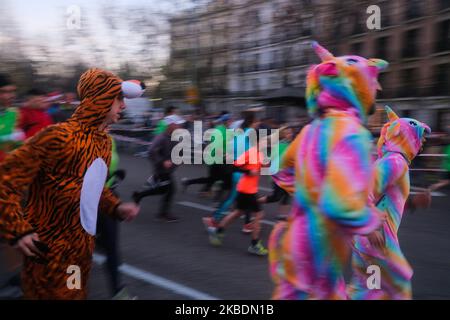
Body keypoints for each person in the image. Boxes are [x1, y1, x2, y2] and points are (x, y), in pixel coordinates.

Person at [0, 68, 143, 299]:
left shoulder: (104, 143)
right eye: (119, 100)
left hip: (80, 253)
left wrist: (116, 207)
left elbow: (92, 188)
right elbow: (6, 179)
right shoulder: (57, 137)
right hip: (48, 251)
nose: (123, 107)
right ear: (102, 99)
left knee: (75, 292)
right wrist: (19, 230)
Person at [268, 41, 387, 299]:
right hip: (321, 249)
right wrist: (370, 220)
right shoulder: (353, 134)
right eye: (373, 82)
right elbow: (340, 207)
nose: (377, 89)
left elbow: (279, 168)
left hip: (297, 239)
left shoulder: (312, 129)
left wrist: (308, 193)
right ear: (359, 87)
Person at [347, 106, 431, 300]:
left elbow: (386, 199)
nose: (424, 141)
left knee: (369, 290)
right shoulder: (395, 162)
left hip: (369, 243)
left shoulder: (393, 160)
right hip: (377, 243)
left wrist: (413, 203)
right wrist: (370, 229)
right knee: (399, 289)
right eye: (421, 134)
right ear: (408, 135)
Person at [208, 138, 269, 256]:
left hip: (249, 189)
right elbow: (234, 166)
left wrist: (266, 163)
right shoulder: (250, 153)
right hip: (247, 189)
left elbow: (264, 165)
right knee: (259, 214)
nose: (266, 144)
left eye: (267, 142)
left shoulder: (260, 154)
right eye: (264, 142)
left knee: (238, 212)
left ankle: (217, 231)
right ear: (257, 142)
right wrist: (248, 172)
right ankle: (254, 244)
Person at [132, 114, 185, 222]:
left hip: (168, 170)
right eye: (178, 124)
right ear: (171, 125)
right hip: (161, 170)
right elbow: (151, 150)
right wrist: (162, 161)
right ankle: (162, 214)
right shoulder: (161, 137)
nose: (180, 126)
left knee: (162, 190)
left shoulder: (175, 136)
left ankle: (139, 195)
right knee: (171, 190)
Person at [258, 126, 294, 220]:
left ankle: (282, 216)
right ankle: (256, 202)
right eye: (288, 133)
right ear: (283, 135)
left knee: (287, 195)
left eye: (291, 132)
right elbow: (273, 160)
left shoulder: (289, 145)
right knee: (276, 197)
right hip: (278, 176)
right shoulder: (281, 145)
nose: (290, 135)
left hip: (286, 176)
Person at [0, 73, 25, 162]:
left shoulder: (14, 112)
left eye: (12, 91)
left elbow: (17, 144)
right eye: (4, 91)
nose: (11, 95)